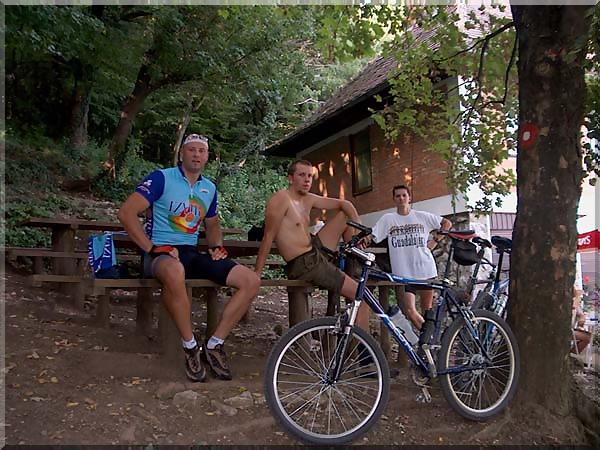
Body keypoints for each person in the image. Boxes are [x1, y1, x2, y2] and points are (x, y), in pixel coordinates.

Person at [117, 133, 260, 382]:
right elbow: (126, 213)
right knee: (175, 271)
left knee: (251, 280)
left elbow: (212, 225)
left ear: (207, 156)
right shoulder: (161, 178)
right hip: (161, 254)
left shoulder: (209, 188)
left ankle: (214, 345)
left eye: (201, 151)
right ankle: (190, 346)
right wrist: (152, 248)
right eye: (191, 150)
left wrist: (216, 246)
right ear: (182, 153)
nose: (196, 155)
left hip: (191, 253)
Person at [254, 159, 370, 330]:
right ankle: (364, 346)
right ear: (290, 178)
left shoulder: (308, 199)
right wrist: (257, 273)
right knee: (363, 297)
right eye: (302, 175)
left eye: (310, 176)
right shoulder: (281, 199)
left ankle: (353, 266)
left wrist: (360, 227)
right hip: (304, 263)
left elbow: (344, 204)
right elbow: (268, 237)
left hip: (314, 251)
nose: (307, 180)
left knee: (345, 216)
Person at [362, 185, 452, 330]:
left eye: (404, 195)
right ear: (394, 199)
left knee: (427, 312)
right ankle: (428, 338)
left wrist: (435, 241)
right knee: (410, 311)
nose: (401, 198)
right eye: (398, 196)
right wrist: (364, 240)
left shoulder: (422, 216)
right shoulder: (388, 219)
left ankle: (428, 341)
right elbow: (373, 235)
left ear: (409, 198)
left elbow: (447, 223)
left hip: (425, 270)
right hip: (404, 274)